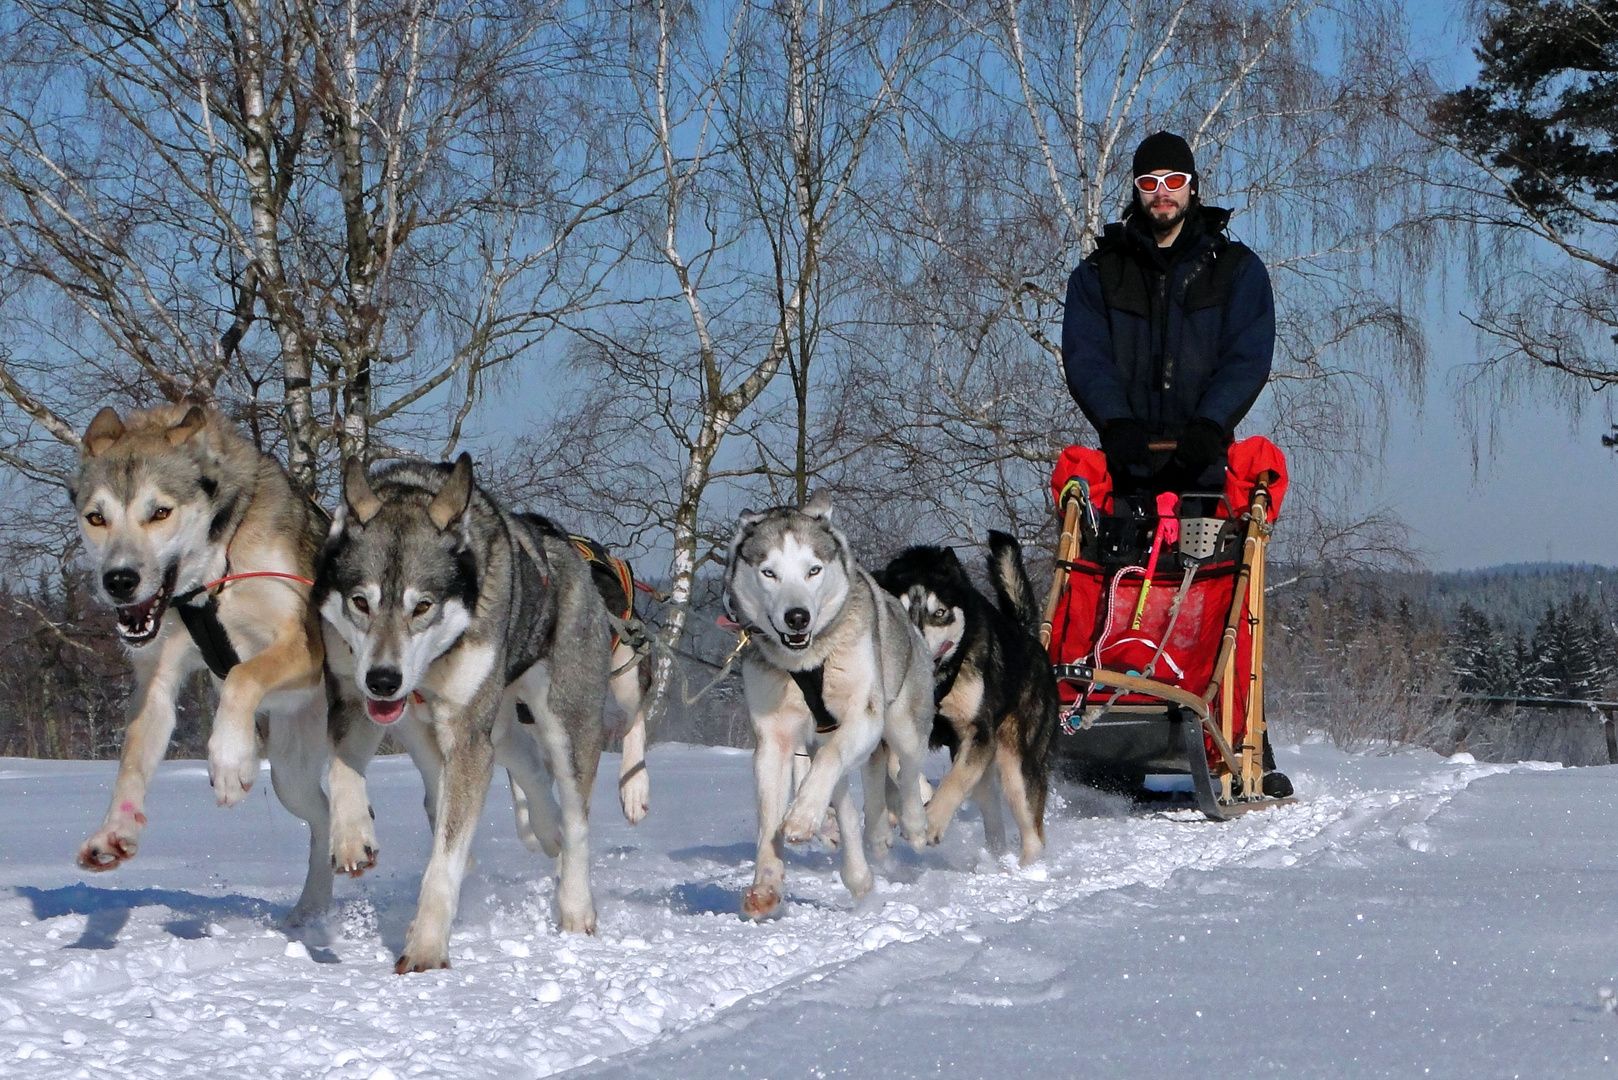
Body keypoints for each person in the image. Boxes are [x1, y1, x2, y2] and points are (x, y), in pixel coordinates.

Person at [1061, 131, 1274, 495]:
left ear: (1192, 187)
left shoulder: (1235, 270)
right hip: (1123, 473)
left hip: (1207, 474)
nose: (1162, 193)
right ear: (1136, 190)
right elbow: (1087, 358)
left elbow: (1247, 358)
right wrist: (1115, 421)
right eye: (1149, 182)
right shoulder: (1099, 274)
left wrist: (1211, 423)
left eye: (1174, 181)